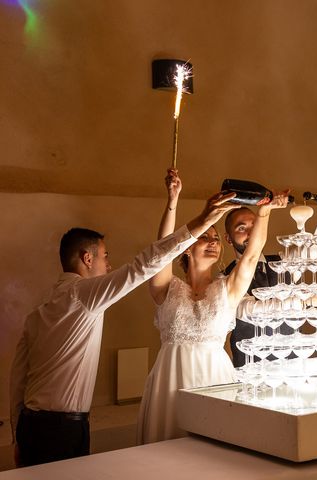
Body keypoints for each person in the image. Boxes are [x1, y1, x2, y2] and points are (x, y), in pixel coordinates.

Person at [9, 188, 238, 467]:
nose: (109, 264)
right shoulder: (85, 295)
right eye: (105, 256)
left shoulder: (37, 312)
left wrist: (16, 436)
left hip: (29, 425)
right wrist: (200, 220)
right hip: (62, 428)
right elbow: (143, 267)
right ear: (87, 258)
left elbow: (17, 379)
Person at [136, 170, 288, 444]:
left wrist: (264, 212)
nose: (214, 242)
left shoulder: (227, 289)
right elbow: (161, 252)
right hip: (170, 382)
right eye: (205, 236)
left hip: (215, 378)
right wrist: (172, 201)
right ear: (185, 247)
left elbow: (253, 254)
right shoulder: (167, 289)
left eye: (217, 238)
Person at [224, 200, 317, 367]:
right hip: (250, 370)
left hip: (293, 366)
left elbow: (314, 249)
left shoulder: (282, 262)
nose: (251, 233)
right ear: (229, 239)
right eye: (241, 228)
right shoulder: (223, 279)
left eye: (255, 226)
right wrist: (305, 301)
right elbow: (251, 311)